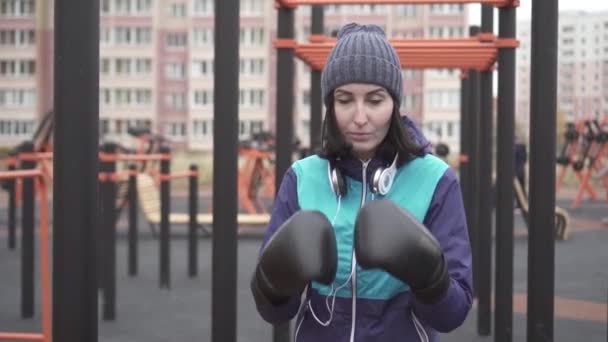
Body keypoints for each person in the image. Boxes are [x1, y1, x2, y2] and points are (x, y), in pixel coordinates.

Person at [250, 23, 473, 341]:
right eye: (344, 100)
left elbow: (453, 315)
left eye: (374, 100)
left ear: (394, 103)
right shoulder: (301, 178)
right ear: (330, 105)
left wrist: (430, 279)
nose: (359, 117)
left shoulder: (436, 180)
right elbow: (274, 313)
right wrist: (274, 283)